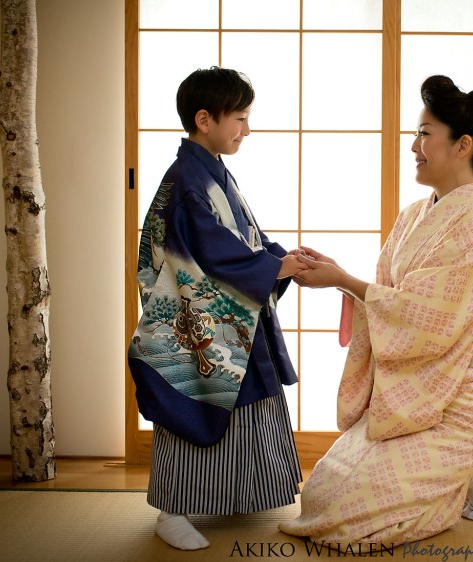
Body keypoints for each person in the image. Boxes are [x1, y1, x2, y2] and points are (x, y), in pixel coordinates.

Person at [278, 75, 473, 547]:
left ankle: (462, 479)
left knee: (342, 513)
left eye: (425, 134)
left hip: (458, 395)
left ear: (463, 145)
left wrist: (342, 280)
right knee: (321, 493)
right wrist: (338, 276)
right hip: (414, 392)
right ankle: (463, 480)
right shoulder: (413, 215)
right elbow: (389, 297)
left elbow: (426, 316)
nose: (413, 146)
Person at [127, 67, 306, 551]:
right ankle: (171, 510)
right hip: (197, 320)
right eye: (240, 119)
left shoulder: (210, 171)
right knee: (197, 401)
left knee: (242, 404)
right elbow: (211, 252)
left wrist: (278, 257)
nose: (246, 129)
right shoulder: (188, 180)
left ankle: (236, 495)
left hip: (226, 312)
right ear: (204, 119)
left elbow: (241, 239)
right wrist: (274, 267)